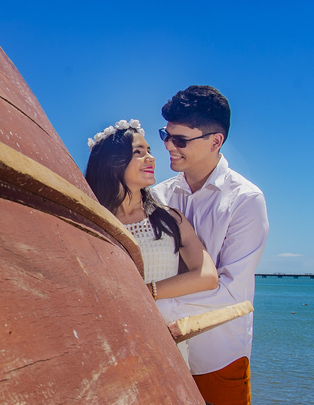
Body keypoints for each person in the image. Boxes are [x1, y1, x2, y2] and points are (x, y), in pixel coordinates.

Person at [152, 86, 268, 405]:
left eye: (180, 139)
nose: (169, 146)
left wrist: (148, 299)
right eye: (166, 135)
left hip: (220, 356)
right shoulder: (159, 195)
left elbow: (233, 293)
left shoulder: (246, 200)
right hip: (163, 354)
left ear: (215, 140)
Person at [84, 118, 217, 309]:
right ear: (112, 163)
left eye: (149, 151)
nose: (151, 158)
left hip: (163, 331)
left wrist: (146, 292)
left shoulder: (171, 219)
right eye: (138, 152)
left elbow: (207, 276)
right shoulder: (93, 222)